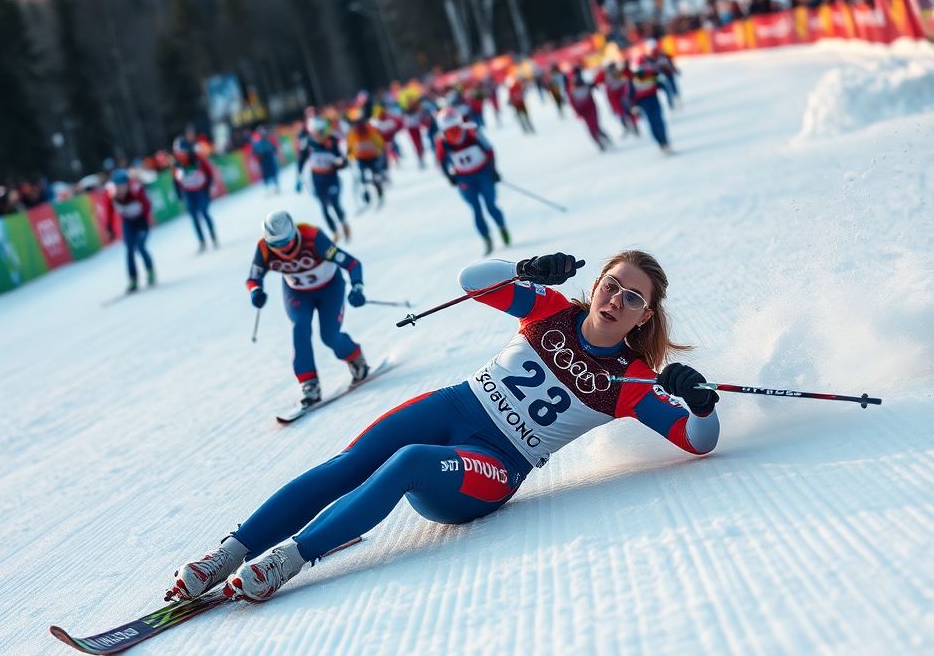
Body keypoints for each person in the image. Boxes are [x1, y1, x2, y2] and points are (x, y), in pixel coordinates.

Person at [165, 250, 720, 604]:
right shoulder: (550, 308)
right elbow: (473, 280)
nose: (615, 300)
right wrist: (522, 268)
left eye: (632, 298)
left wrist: (700, 404)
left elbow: (698, 442)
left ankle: (287, 560)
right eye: (611, 285)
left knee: (405, 464)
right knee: (348, 465)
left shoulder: (635, 379)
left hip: (493, 467)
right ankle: (229, 553)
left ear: (645, 316)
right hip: (456, 406)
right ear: (596, 283)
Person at [246, 210, 369, 409]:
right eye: (276, 244)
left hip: (330, 288)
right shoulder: (264, 249)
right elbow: (253, 278)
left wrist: (357, 287)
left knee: (329, 336)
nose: (284, 249)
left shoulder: (313, 238)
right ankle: (309, 383)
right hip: (297, 293)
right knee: (300, 328)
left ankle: (355, 358)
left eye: (287, 241)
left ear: (295, 233)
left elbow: (352, 263)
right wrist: (256, 291)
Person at [434, 105, 510, 256]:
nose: (454, 134)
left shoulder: (472, 131)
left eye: (455, 129)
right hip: (464, 178)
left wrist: (493, 170)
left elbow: (489, 150)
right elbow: (441, 161)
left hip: (483, 173)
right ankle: (486, 238)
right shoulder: (441, 141)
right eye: (449, 131)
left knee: (490, 205)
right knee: (476, 209)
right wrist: (449, 176)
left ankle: (502, 227)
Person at [296, 116, 351, 240]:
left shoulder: (332, 141)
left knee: (335, 204)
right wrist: (299, 177)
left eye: (321, 132)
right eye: (316, 133)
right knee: (324, 206)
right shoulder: (308, 143)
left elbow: (342, 160)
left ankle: (343, 222)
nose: (319, 136)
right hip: (317, 180)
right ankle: (335, 231)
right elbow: (301, 160)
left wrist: (342, 163)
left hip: (331, 178)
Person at [107, 167, 155, 292]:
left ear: (128, 184)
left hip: (141, 222)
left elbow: (147, 206)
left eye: (122, 186)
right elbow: (110, 211)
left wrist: (144, 221)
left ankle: (150, 271)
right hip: (128, 223)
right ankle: (133, 279)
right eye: (118, 186)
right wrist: (109, 227)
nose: (120, 189)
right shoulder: (113, 195)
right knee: (129, 250)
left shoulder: (137, 191)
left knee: (140, 247)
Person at [173, 136, 218, 251]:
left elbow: (209, 172)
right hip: (188, 193)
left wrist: (208, 188)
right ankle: (202, 241)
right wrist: (179, 196)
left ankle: (213, 235)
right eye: (178, 152)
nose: (180, 154)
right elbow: (176, 181)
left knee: (204, 212)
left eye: (182, 151)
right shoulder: (176, 164)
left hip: (201, 190)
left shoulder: (198, 158)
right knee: (194, 217)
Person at [628, 58, 673, 153]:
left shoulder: (650, 75)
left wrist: (669, 99)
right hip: (643, 104)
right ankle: (660, 143)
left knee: (659, 121)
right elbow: (630, 96)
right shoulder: (632, 81)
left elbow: (662, 84)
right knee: (652, 124)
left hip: (654, 100)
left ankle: (665, 141)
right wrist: (634, 107)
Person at [567, 66, 611, 151]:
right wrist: (577, 112)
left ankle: (604, 138)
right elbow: (573, 103)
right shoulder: (573, 92)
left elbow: (595, 85)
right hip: (584, 112)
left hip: (591, 109)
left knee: (595, 126)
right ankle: (598, 141)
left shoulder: (585, 86)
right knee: (591, 128)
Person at [251, 129, 280, 194]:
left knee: (274, 173)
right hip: (264, 161)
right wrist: (259, 155)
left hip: (270, 160)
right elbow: (255, 152)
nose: (262, 134)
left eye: (263, 132)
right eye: (261, 133)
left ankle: (276, 187)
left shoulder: (269, 140)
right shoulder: (257, 143)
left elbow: (274, 148)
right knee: (266, 176)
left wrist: (275, 154)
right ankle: (268, 189)